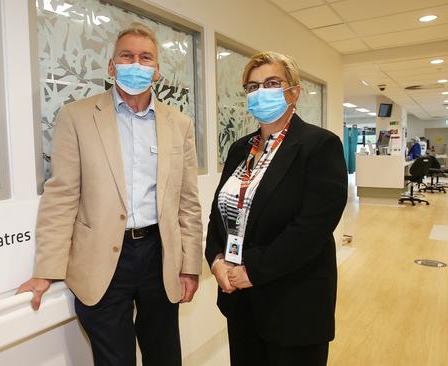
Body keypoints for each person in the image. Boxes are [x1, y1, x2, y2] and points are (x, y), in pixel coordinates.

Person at [17, 22, 203, 366]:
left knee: (165, 356)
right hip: (102, 259)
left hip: (159, 254)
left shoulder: (178, 124)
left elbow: (187, 203)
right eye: (127, 56)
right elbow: (61, 196)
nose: (136, 63)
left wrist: (190, 265)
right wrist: (46, 269)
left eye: (145, 57)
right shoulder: (77, 116)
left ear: (157, 70)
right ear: (111, 66)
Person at [205, 51, 347, 365]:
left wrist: (252, 271)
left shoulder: (320, 145)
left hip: (293, 304)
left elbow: (312, 228)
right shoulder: (239, 148)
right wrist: (216, 259)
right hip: (241, 301)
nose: (260, 92)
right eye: (252, 87)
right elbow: (220, 213)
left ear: (293, 92)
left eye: (271, 83)